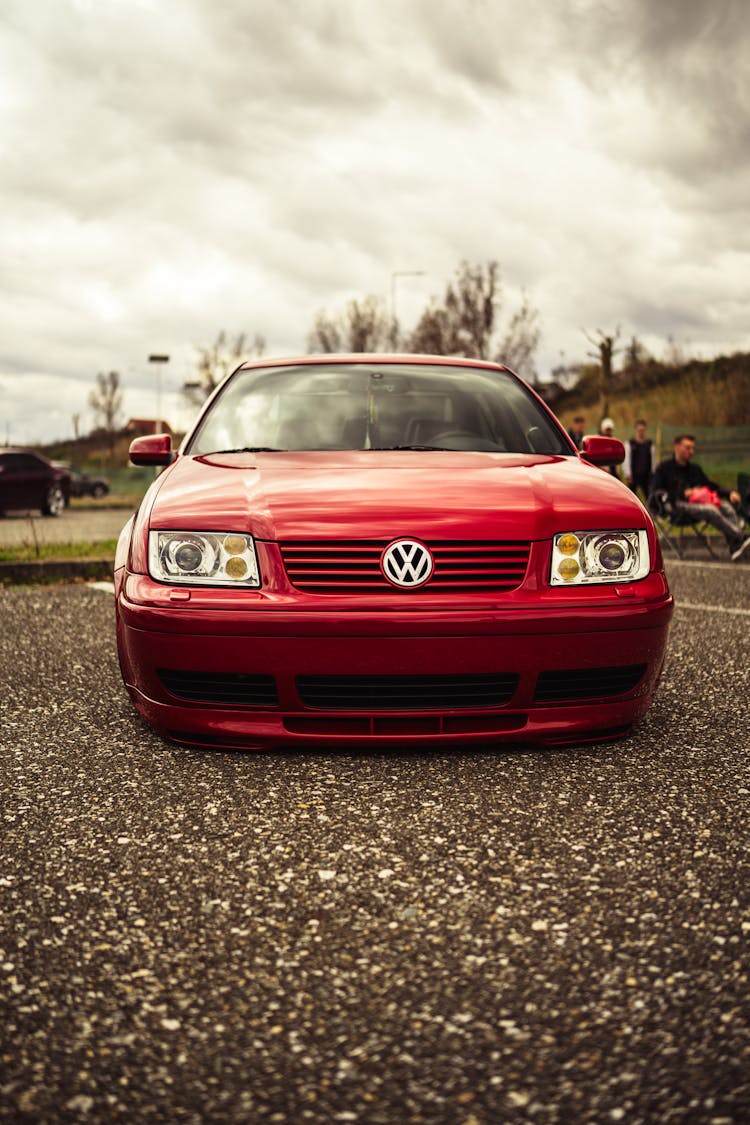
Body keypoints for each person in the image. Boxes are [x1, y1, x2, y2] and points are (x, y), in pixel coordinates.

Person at [651, 434, 750, 561]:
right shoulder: (664, 468)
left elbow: (710, 485)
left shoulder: (695, 469)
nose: (691, 452)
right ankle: (740, 537)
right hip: (676, 507)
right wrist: (682, 493)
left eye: (692, 448)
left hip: (699, 505)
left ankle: (735, 547)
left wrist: (729, 493)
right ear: (676, 447)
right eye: (687, 448)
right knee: (711, 510)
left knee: (727, 508)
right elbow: (655, 492)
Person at [623, 418, 655, 497]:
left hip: (646, 475)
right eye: (639, 430)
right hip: (634, 475)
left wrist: (653, 473)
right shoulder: (630, 444)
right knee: (631, 497)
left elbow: (653, 460)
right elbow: (626, 459)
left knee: (649, 496)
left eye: (643, 430)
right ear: (636, 430)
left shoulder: (650, 444)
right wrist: (628, 473)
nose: (641, 432)